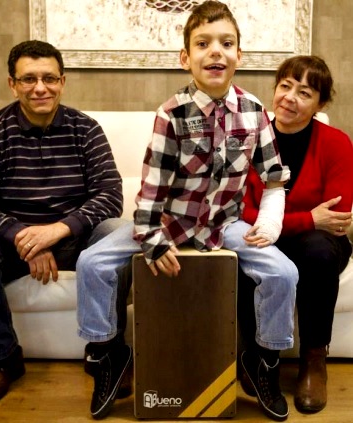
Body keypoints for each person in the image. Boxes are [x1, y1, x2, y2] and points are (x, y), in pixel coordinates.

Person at [76, 1, 298, 420]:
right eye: (203, 43)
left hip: (224, 226)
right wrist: (154, 242)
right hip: (167, 222)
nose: (216, 51)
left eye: (226, 43)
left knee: (283, 272)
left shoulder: (254, 113)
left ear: (239, 56)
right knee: (92, 263)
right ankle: (108, 356)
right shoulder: (171, 113)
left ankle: (263, 362)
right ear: (185, 58)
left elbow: (273, 180)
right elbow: (149, 193)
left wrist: (269, 223)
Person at [0, 40, 124, 408]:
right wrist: (21, 235)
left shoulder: (86, 129)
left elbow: (111, 195)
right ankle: (4, 358)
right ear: (11, 84)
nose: (40, 88)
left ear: (62, 81)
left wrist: (57, 231)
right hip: (10, 247)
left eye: (49, 78)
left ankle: (104, 351)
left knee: (116, 232)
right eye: (28, 79)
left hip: (75, 243)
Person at [239, 55, 353, 414]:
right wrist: (307, 219)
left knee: (317, 251)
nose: (290, 97)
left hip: (319, 243)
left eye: (304, 92)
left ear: (320, 104)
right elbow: (241, 212)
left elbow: (337, 216)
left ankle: (314, 360)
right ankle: (256, 357)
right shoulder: (248, 139)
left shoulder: (336, 143)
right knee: (245, 251)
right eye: (285, 86)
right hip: (264, 237)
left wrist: (305, 224)